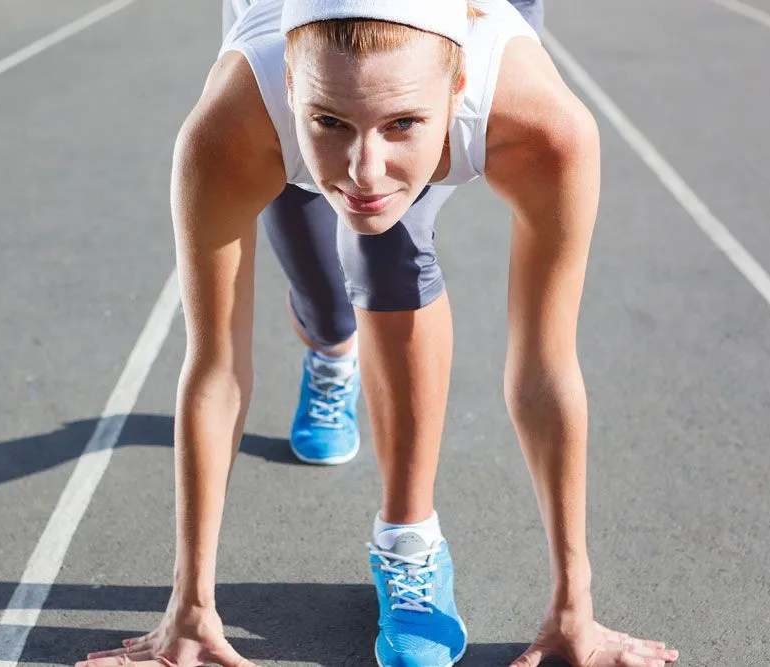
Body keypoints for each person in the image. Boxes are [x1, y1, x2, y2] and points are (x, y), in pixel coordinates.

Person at [79, 0, 679, 665]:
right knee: (327, 307)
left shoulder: (542, 127)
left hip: (424, 72)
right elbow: (216, 368)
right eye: (329, 122)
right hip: (289, 77)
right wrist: (189, 610)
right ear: (290, 90)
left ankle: (410, 540)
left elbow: (547, 366)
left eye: (403, 124)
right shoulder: (232, 123)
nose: (365, 170)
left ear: (456, 90)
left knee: (385, 249)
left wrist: (576, 602)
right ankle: (332, 349)